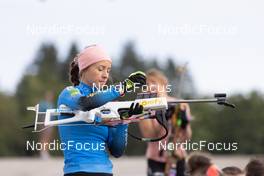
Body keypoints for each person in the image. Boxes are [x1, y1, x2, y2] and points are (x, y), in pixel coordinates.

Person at [57, 44, 146, 176]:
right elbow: (86, 103)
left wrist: (123, 122)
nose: (105, 75)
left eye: (108, 70)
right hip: (77, 171)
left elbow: (117, 151)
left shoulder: (106, 103)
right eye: (100, 69)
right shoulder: (69, 93)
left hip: (105, 172)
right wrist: (124, 86)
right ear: (84, 70)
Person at [139, 69, 192, 176]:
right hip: (156, 159)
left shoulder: (180, 104)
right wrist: (163, 118)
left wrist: (184, 124)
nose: (150, 86)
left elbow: (186, 137)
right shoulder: (144, 106)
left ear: (164, 82)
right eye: (147, 84)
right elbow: (149, 135)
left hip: (177, 157)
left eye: (153, 82)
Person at [39, 90, 55, 159]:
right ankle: (43, 152)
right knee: (44, 138)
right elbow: (40, 114)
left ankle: (45, 152)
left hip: (50, 123)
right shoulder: (43, 104)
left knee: (48, 138)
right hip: (44, 122)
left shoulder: (51, 104)